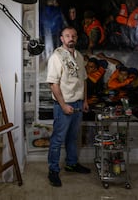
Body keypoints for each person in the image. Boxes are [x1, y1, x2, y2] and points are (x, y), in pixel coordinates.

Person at [46, 26, 91, 187]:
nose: (70, 38)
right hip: (63, 105)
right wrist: (63, 105)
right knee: (58, 139)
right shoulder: (56, 57)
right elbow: (53, 84)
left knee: (72, 137)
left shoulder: (78, 56)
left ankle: (72, 164)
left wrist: (85, 100)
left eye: (73, 35)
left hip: (78, 104)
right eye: (67, 35)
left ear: (76, 38)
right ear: (62, 38)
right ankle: (53, 171)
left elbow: (83, 80)